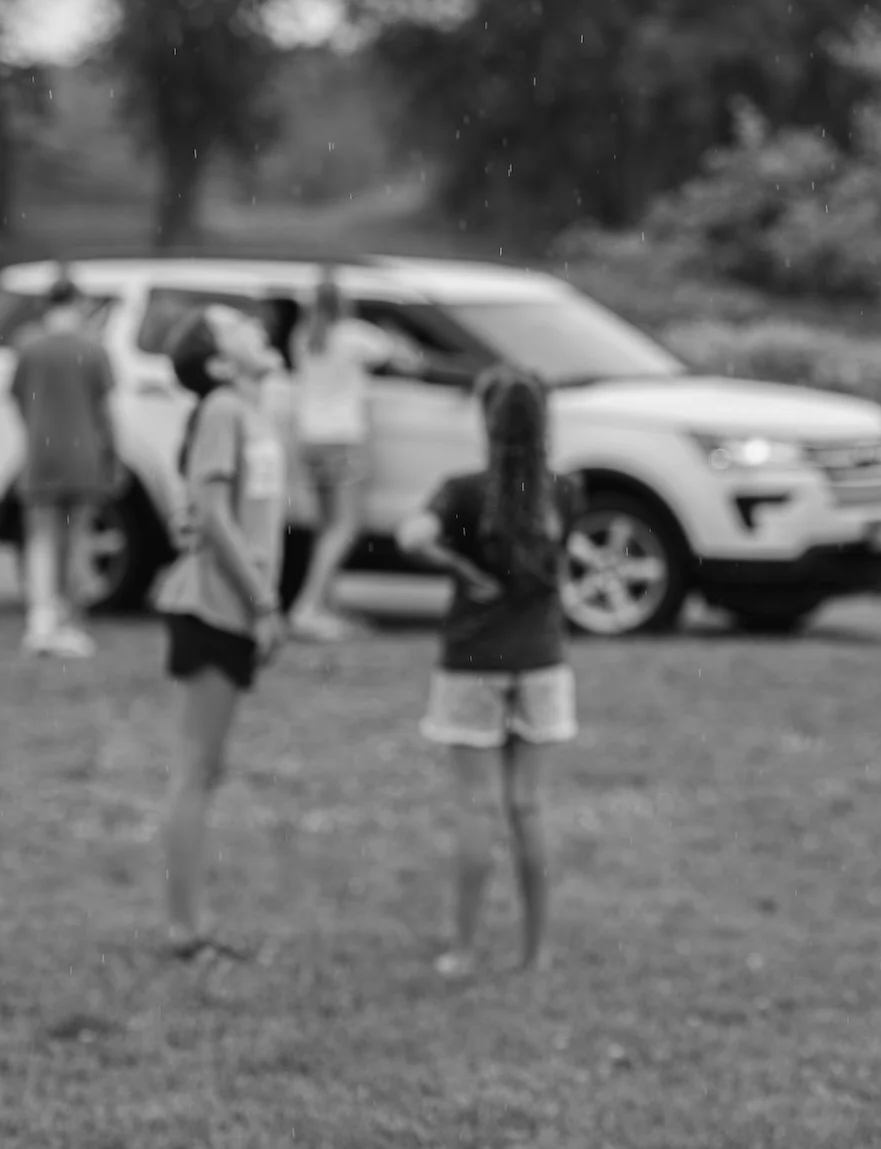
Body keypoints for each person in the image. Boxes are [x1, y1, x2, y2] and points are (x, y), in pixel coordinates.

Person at [397, 364, 581, 978]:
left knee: (477, 807)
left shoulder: (462, 492)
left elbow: (410, 537)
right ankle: (537, 949)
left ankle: (466, 948)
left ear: (485, 420)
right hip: (541, 663)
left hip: (473, 662)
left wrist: (465, 573)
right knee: (529, 806)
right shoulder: (566, 493)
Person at [152, 304, 290, 961]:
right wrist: (263, 601)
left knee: (208, 768)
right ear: (216, 364)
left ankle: (193, 922)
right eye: (234, 325)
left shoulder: (251, 408)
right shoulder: (222, 410)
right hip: (212, 606)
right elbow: (210, 510)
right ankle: (185, 929)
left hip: (232, 607)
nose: (254, 325)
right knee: (194, 770)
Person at [285, 265, 404, 642]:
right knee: (345, 526)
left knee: (325, 527)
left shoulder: (302, 337)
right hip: (343, 437)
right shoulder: (354, 336)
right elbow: (399, 357)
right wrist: (396, 335)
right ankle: (307, 607)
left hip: (309, 437)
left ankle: (324, 607)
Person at [8, 271, 120, 659]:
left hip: (41, 454)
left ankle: (40, 620)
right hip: (84, 455)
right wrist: (112, 456)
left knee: (40, 540)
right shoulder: (92, 349)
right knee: (78, 541)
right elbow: (105, 411)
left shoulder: (29, 346)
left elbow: (18, 397)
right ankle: (70, 622)